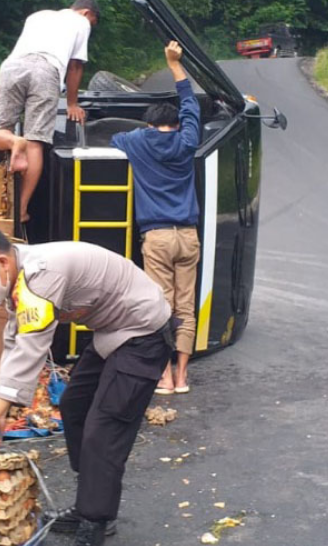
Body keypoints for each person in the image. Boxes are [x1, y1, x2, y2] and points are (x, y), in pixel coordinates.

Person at [0, 224, 175, 546]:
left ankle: (96, 521)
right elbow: (14, 344)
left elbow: (31, 350)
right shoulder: (19, 280)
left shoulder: (41, 276)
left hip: (143, 331)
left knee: (104, 426)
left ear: (0, 262)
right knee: (74, 405)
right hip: (113, 332)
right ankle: (90, 502)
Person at [111, 41, 201, 395]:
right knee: (185, 306)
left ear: (150, 124)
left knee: (160, 307)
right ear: (176, 124)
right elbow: (191, 105)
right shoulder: (187, 140)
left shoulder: (137, 142)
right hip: (188, 236)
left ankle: (162, 376)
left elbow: (116, 136)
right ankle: (182, 377)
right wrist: (175, 65)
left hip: (158, 236)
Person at [0, 0, 99, 224]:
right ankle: (20, 210)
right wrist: (72, 104)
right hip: (46, 70)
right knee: (35, 142)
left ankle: (12, 141)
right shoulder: (81, 22)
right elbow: (76, 66)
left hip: (11, 67)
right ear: (87, 12)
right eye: (92, 22)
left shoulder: (38, 16)